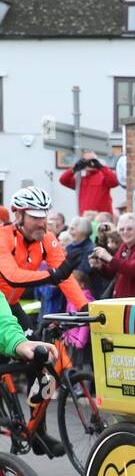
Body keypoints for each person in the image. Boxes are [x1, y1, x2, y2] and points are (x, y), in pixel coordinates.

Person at [0, 186, 90, 455]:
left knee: (44, 361)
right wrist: (53, 275)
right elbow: (12, 276)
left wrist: (86, 310)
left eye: (44, 215)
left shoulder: (47, 239)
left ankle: (37, 431)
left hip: (11, 305)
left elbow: (66, 278)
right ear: (19, 216)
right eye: (34, 216)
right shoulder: (4, 236)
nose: (42, 221)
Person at [91, 213, 135, 298]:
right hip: (124, 301)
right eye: (122, 229)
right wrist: (100, 266)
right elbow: (112, 271)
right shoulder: (124, 246)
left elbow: (134, 270)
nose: (125, 232)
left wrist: (109, 258)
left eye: (129, 229)